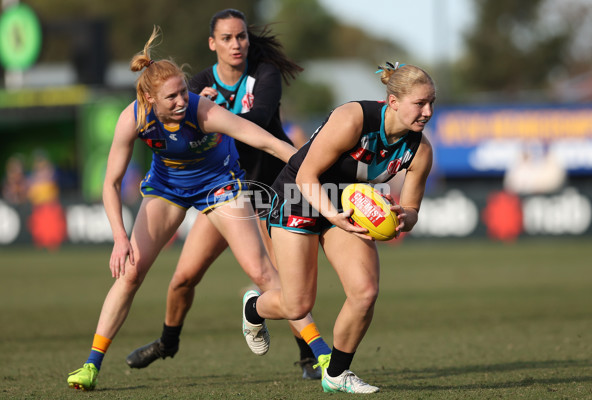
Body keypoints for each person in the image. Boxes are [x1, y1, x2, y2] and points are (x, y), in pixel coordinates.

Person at [66, 25, 323, 391]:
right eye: (171, 98)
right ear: (150, 99)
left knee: (264, 273)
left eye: (182, 92)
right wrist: (119, 238)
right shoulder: (133, 118)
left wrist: (308, 165)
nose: (181, 101)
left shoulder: (202, 110)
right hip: (168, 190)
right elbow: (109, 183)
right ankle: (91, 365)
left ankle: (322, 355)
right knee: (132, 272)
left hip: (220, 187)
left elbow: (264, 140)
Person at [241, 63, 435, 394]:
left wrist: (404, 217)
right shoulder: (353, 119)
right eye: (420, 103)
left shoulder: (420, 150)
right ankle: (253, 308)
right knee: (297, 305)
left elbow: (413, 209)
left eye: (432, 102)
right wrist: (333, 215)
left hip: (345, 205)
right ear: (393, 102)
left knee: (365, 292)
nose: (427, 112)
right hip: (298, 195)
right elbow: (305, 176)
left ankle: (337, 372)